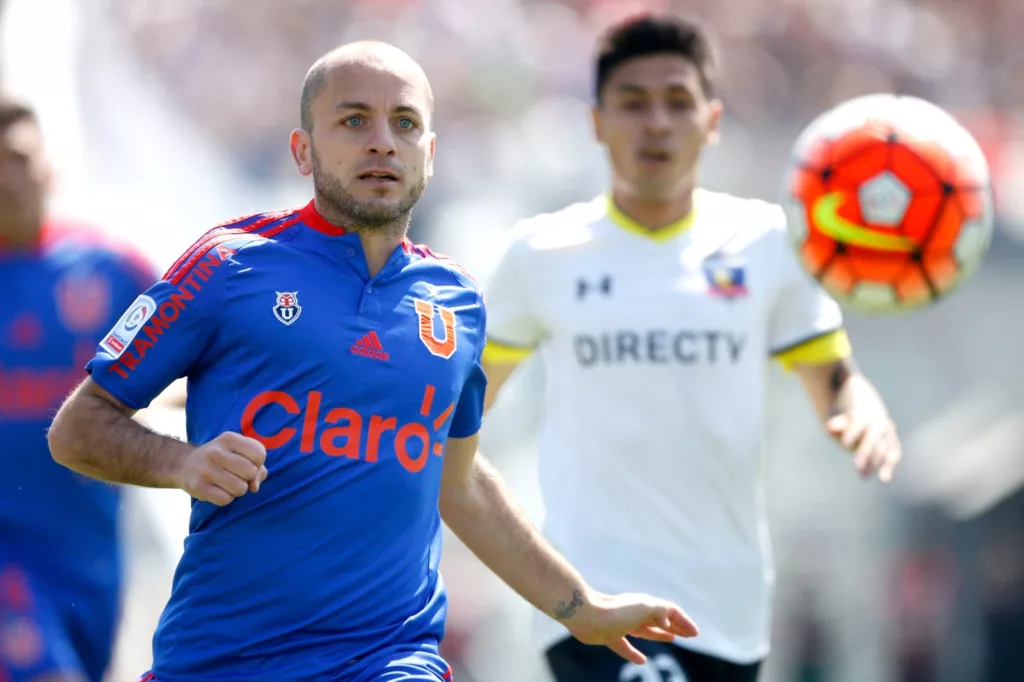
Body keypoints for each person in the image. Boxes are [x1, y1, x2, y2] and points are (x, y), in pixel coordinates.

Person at [46, 41, 699, 682]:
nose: (383, 141)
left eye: (405, 123)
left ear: (431, 155)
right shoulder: (228, 266)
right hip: (222, 658)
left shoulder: (457, 303)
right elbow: (78, 429)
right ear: (303, 150)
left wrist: (579, 607)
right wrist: (181, 462)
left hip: (388, 659)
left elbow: (460, 481)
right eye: (354, 120)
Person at [480, 14, 902, 682]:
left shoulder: (766, 241)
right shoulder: (541, 253)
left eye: (678, 102)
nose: (656, 123)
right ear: (597, 121)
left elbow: (835, 380)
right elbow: (459, 408)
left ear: (711, 119)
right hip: (595, 598)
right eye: (634, 103)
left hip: (728, 605)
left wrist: (863, 410)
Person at [0, 98, 156, 682]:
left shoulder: (112, 271)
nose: (5, 177)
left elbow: (193, 368)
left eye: (16, 157)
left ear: (48, 166)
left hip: (92, 557)